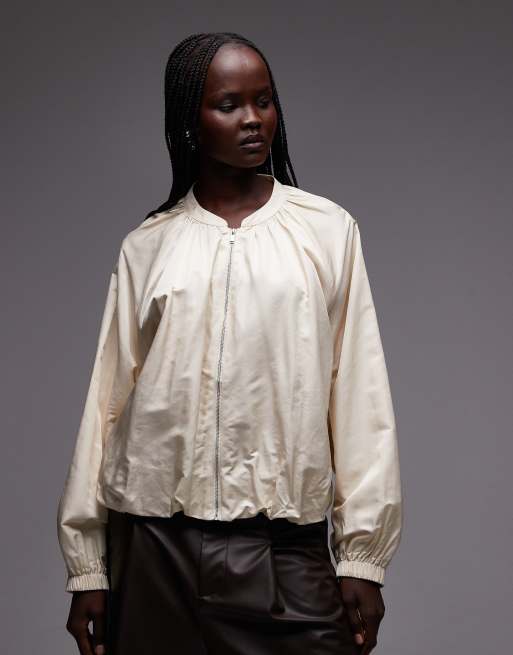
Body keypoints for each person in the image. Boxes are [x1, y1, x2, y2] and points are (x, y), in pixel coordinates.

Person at [57, 31, 403, 655]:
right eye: (229, 104)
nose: (252, 119)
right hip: (154, 549)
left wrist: (362, 558)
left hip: (282, 548)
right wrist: (88, 570)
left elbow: (359, 395)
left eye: (264, 101)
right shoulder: (148, 246)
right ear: (189, 121)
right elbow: (105, 408)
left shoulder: (326, 231)